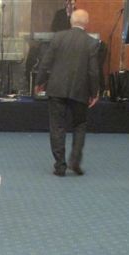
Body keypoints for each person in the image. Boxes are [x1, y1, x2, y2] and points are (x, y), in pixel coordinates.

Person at [35, 9, 99, 177]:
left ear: (71, 21)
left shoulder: (58, 37)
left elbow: (46, 62)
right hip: (80, 90)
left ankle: (60, 165)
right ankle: (75, 160)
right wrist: (94, 92)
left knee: (57, 126)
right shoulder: (92, 43)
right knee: (80, 125)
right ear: (87, 23)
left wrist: (40, 82)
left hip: (57, 89)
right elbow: (93, 71)